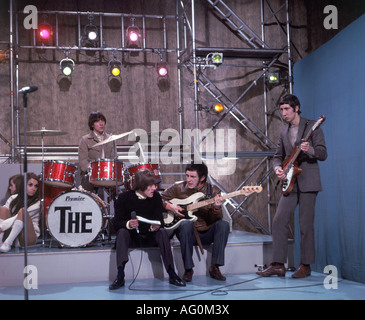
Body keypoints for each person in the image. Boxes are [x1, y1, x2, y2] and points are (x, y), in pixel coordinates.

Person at [257, 94, 327, 278]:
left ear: (296, 108)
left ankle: (305, 265)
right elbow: (277, 156)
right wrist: (278, 168)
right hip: (290, 182)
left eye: (286, 109)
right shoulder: (283, 131)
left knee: (305, 225)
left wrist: (308, 149)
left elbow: (322, 153)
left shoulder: (313, 126)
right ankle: (278, 264)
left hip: (308, 182)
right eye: (281, 109)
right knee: (279, 220)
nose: (283, 113)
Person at [109, 170, 185, 290]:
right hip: (132, 237)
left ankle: (172, 273)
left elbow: (159, 220)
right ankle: (120, 275)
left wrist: (153, 227)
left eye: (154, 185)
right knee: (122, 232)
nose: (154, 188)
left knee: (162, 232)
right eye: (150, 186)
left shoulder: (156, 197)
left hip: (150, 236)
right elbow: (116, 223)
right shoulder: (124, 198)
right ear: (141, 186)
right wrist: (129, 224)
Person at [161, 162, 229, 282]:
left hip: (206, 231)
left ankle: (215, 267)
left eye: (193, 177)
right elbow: (160, 198)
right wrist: (170, 207)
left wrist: (217, 208)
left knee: (223, 225)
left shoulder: (213, 191)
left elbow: (218, 218)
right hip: (188, 232)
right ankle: (188, 269)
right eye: (187, 176)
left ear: (202, 178)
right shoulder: (178, 188)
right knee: (186, 224)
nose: (189, 180)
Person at [0, 173, 41, 253]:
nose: (33, 188)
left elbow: (18, 216)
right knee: (3, 209)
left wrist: (2, 226)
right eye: (30, 185)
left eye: (36, 186)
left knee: (22, 211)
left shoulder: (37, 203)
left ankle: (7, 243)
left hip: (27, 236)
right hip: (13, 234)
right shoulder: (13, 198)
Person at [78, 111, 115, 192]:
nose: (101, 123)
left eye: (102, 120)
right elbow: (83, 161)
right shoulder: (85, 140)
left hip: (107, 174)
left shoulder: (110, 139)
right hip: (90, 176)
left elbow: (114, 158)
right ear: (92, 124)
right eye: (97, 121)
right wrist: (93, 171)